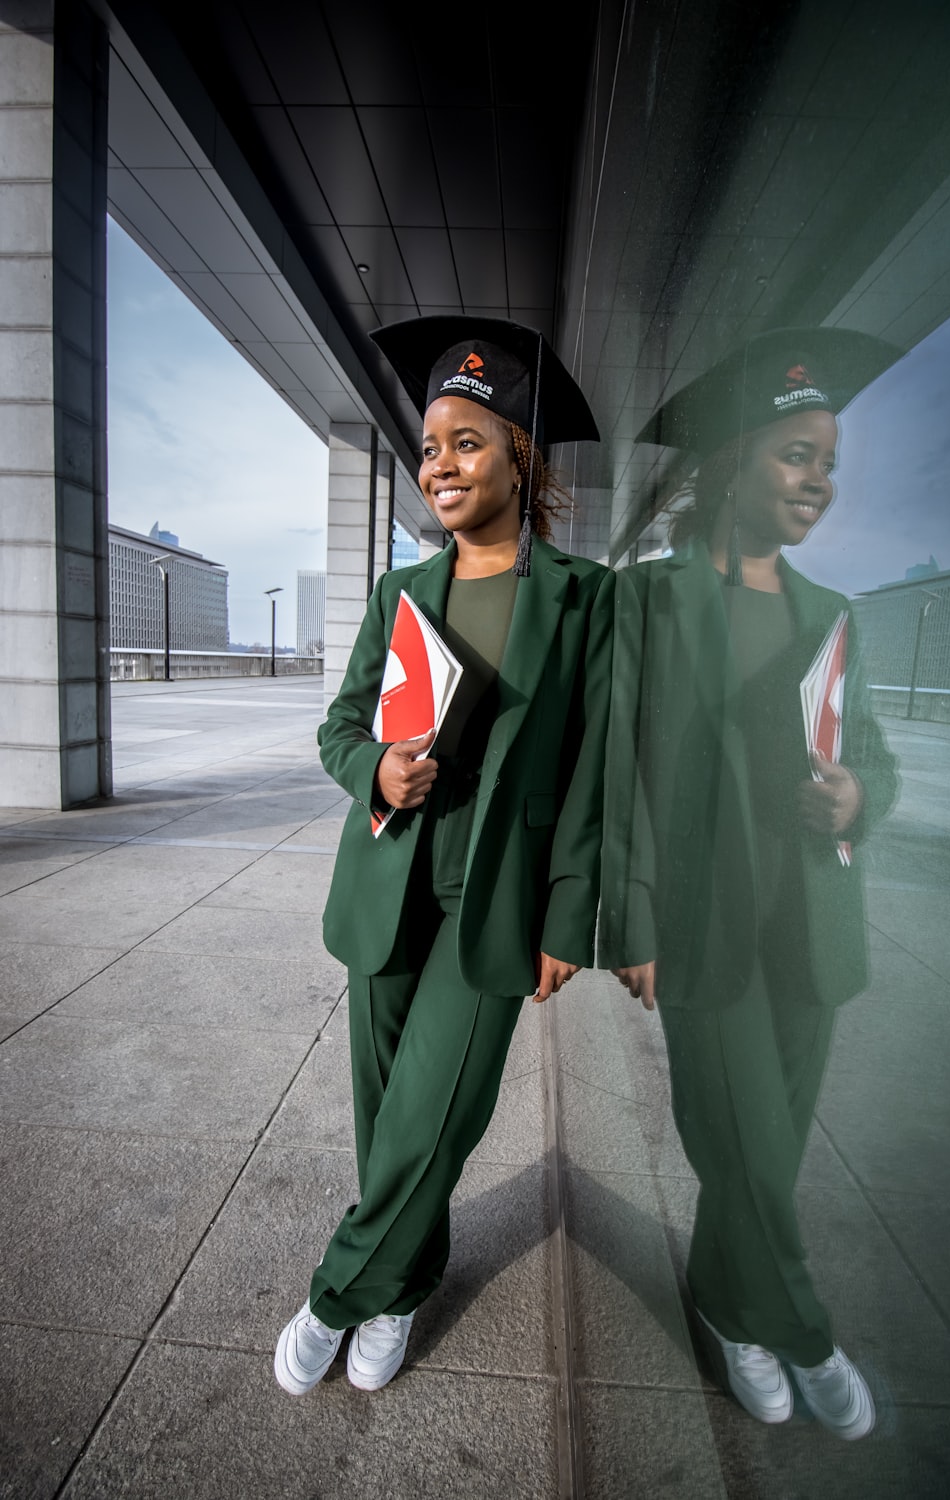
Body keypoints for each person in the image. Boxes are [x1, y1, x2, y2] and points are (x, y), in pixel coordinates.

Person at [274, 316, 613, 1395]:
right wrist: (373, 768)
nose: (441, 465)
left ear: (521, 454)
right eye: (429, 447)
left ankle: (338, 1293)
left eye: (468, 441)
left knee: (435, 1118)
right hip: (387, 879)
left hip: (494, 899)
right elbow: (336, 728)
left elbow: (597, 770)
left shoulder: (584, 600)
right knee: (387, 1118)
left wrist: (571, 918)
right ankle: (408, 1281)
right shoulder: (397, 595)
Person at [600, 329, 900, 1440]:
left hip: (811, 933)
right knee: (749, 1147)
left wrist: (859, 798)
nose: (819, 480)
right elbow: (616, 776)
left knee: (761, 1149)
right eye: (795, 454)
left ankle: (730, 1308)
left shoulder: (834, 616)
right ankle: (805, 1328)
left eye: (828, 460)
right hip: (701, 932)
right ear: (731, 464)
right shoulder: (649, 602)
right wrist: (627, 917)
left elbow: (873, 752)